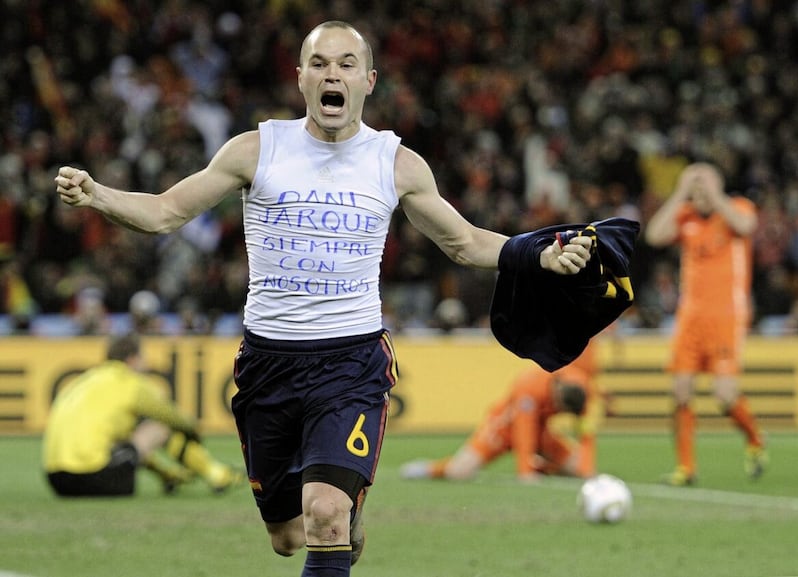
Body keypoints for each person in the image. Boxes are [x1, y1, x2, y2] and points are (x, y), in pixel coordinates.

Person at [54, 21, 594, 575]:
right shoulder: (255, 150)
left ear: (368, 81)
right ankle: (339, 514)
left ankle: (339, 507)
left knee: (325, 514)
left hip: (351, 362)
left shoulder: (396, 163)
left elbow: (464, 242)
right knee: (288, 536)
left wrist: (539, 254)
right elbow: (167, 211)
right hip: (269, 364)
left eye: (345, 64)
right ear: (300, 79)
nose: (331, 74)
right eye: (319, 63)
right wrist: (99, 195)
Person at [644, 162, 767, 486]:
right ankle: (686, 468)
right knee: (680, 391)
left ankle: (754, 438)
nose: (700, 195)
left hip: (726, 316)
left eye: (705, 187)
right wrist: (681, 192)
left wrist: (715, 194)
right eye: (695, 189)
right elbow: (655, 235)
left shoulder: (736, 209)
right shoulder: (685, 217)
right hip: (690, 318)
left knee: (725, 396)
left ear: (718, 187)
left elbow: (747, 224)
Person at [42, 332, 242, 497]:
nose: (145, 364)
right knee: (159, 428)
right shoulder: (131, 383)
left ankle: (169, 476)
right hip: (96, 478)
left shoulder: (82, 381)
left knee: (126, 438)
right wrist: (194, 432)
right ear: (132, 359)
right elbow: (175, 418)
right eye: (143, 358)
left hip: (57, 481)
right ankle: (216, 474)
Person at [400, 342, 601, 483]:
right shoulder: (530, 385)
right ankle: (431, 469)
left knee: (579, 469)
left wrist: (587, 468)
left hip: (541, 433)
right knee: (459, 472)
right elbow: (523, 430)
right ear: (557, 393)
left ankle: (543, 468)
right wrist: (525, 471)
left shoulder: (583, 390)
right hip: (504, 427)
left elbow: (587, 432)